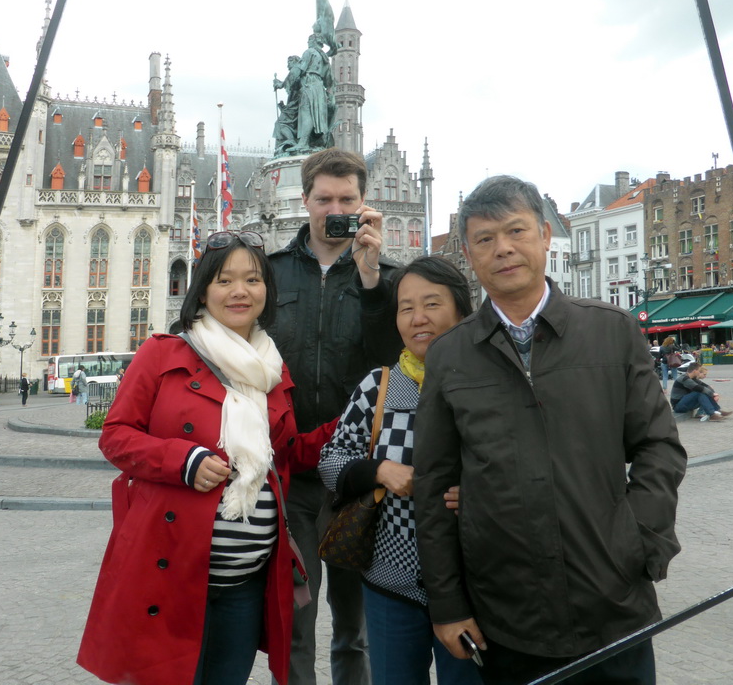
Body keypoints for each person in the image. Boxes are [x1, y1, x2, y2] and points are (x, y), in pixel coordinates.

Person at [413, 175, 687, 685]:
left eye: (515, 232)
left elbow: (659, 447)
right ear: (469, 256)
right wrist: (448, 604)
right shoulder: (451, 355)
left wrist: (639, 540)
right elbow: (431, 485)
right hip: (509, 615)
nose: (504, 249)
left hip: (613, 603)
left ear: (544, 235)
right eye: (485, 240)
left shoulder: (611, 330)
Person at [77, 230, 333, 685]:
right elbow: (115, 436)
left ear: (266, 292)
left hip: (246, 583)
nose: (240, 291)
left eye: (253, 280)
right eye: (224, 280)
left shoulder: (271, 367)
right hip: (171, 574)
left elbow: (287, 453)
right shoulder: (162, 353)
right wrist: (184, 461)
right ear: (203, 291)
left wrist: (353, 423)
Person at [266, 147, 401, 685]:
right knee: (295, 622)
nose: (335, 209)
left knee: (354, 627)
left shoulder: (389, 281)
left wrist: (371, 283)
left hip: (358, 481)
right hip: (293, 477)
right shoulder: (270, 275)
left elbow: (394, 364)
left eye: (347, 199)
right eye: (324, 198)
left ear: (364, 203)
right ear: (305, 201)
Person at [319, 256, 481, 685]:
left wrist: (484, 492)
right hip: (392, 583)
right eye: (406, 308)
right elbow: (331, 461)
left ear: (462, 311)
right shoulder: (381, 385)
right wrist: (378, 470)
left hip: (475, 584)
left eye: (432, 304)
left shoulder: (489, 382)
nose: (418, 318)